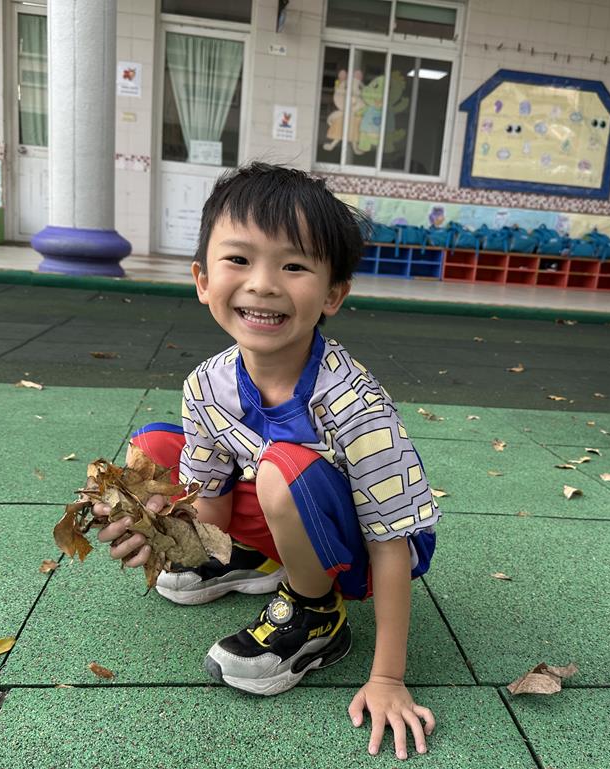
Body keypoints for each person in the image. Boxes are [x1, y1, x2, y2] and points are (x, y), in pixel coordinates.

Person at [92, 163, 439, 760]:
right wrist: (160, 525)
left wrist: (388, 677)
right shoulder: (206, 384)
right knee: (153, 448)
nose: (263, 284)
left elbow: (391, 544)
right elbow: (210, 503)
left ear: (333, 294)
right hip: (278, 503)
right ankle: (248, 562)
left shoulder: (354, 403)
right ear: (202, 280)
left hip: (359, 549)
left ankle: (316, 613)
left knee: (281, 468)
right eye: (239, 259)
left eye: (294, 266)